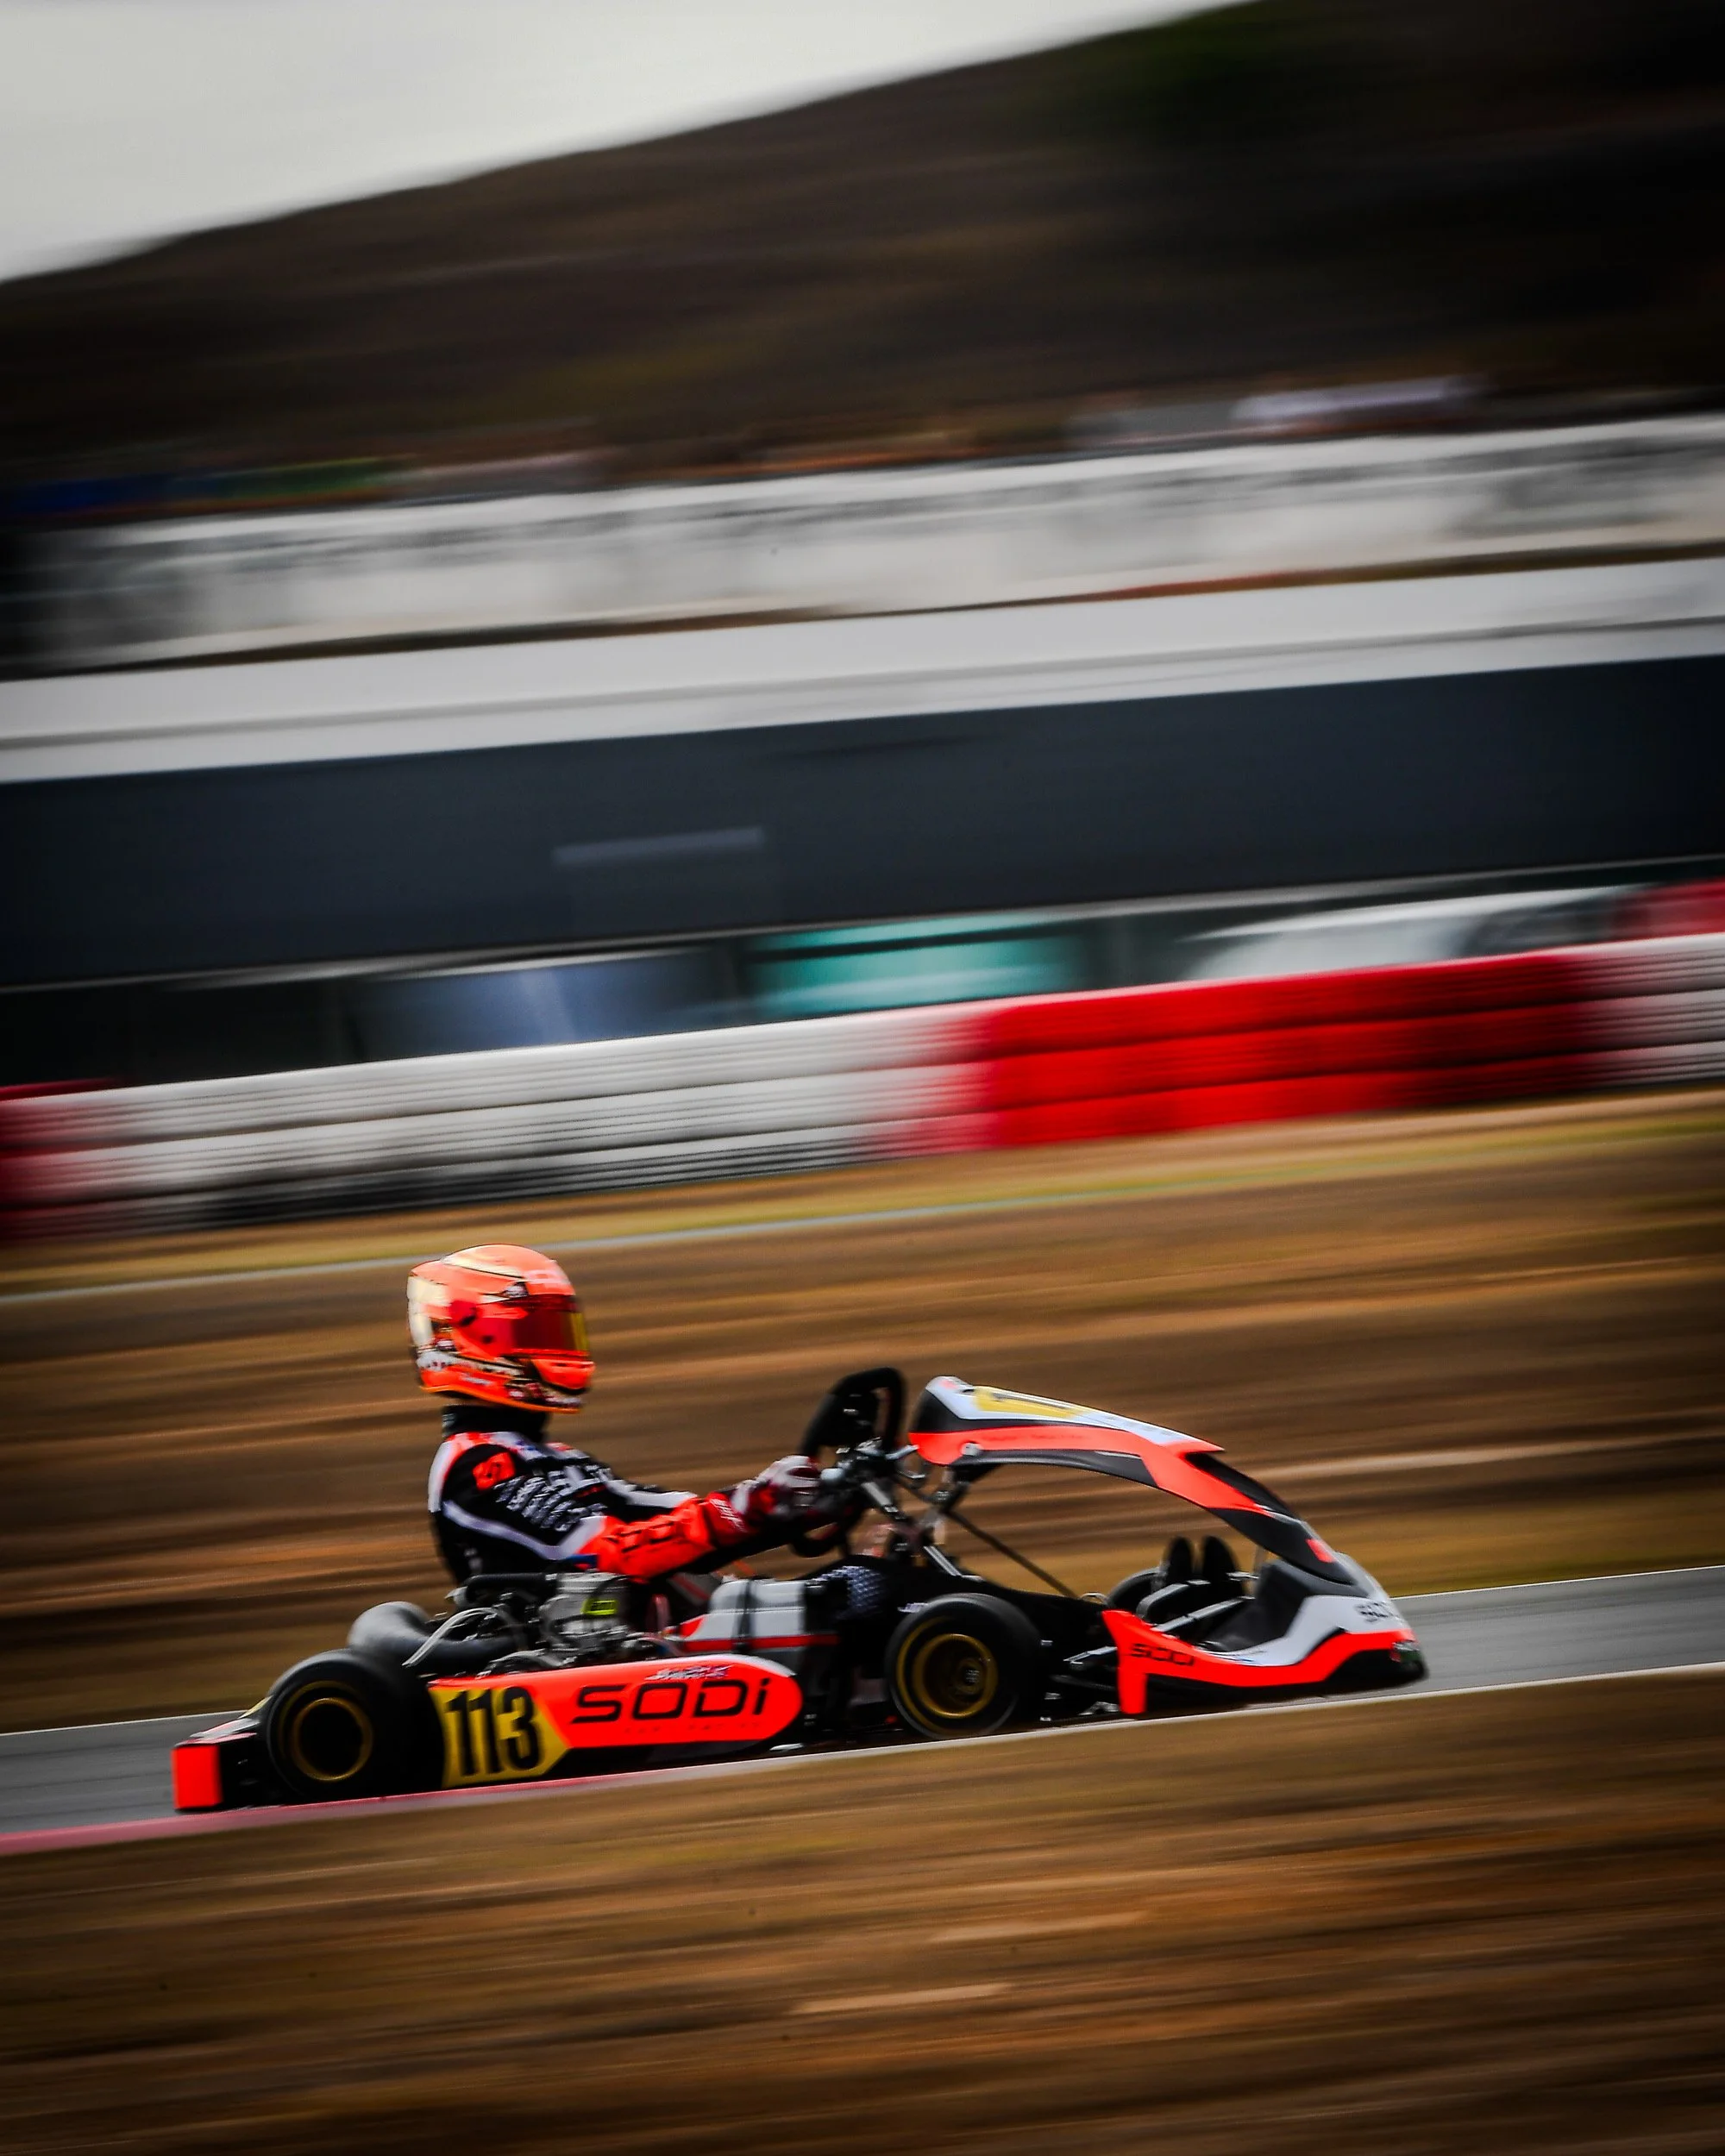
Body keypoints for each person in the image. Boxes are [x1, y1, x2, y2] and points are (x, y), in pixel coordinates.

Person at [410, 1243, 834, 1584]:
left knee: (858, 1586)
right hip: (569, 1646)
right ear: (477, 1342)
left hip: (637, 1626)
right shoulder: (478, 1465)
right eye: (539, 1334)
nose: (560, 1349)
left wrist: (804, 1501)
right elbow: (606, 1551)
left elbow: (659, 1510)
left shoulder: (552, 1456)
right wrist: (741, 1509)